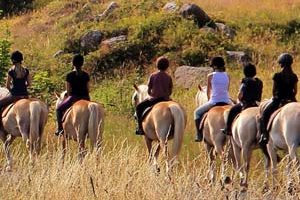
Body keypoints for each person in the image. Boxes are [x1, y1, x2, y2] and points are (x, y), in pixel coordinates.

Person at [259, 53, 298, 145]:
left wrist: (276, 97)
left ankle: (264, 135)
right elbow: (295, 91)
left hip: (278, 101)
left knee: (264, 115)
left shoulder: (277, 75)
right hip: (292, 100)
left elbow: (274, 90)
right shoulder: (294, 76)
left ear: (280, 63)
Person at [194, 56, 231, 142]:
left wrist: (208, 99)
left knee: (196, 113)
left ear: (213, 66)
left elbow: (208, 91)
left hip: (214, 101)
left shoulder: (210, 76)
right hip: (226, 100)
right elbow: (227, 89)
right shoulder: (227, 75)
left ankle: (199, 134)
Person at [135, 56, 173, 135]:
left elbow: (149, 90)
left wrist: (152, 94)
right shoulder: (169, 77)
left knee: (139, 108)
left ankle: (140, 128)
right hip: (166, 100)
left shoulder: (153, 76)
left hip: (154, 99)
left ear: (157, 65)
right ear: (167, 67)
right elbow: (170, 92)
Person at [54, 54, 90, 136]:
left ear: (73, 63)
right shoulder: (86, 75)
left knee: (59, 109)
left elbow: (69, 90)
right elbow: (88, 89)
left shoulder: (69, 75)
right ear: (82, 63)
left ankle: (60, 129)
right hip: (86, 98)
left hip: (73, 98)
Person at [222, 63, 263, 135]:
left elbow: (240, 95)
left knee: (232, 110)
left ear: (245, 72)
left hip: (246, 104)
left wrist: (238, 100)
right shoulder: (259, 82)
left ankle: (227, 129)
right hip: (256, 104)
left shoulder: (245, 81)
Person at [0, 51, 31, 128]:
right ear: (21, 59)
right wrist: (23, 86)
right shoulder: (26, 70)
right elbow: (29, 84)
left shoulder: (11, 71)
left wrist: (12, 89)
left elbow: (7, 86)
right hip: (25, 96)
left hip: (14, 95)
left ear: (13, 60)